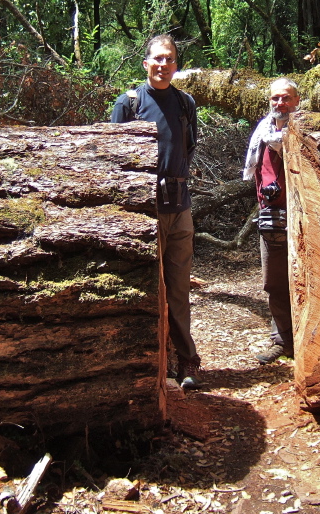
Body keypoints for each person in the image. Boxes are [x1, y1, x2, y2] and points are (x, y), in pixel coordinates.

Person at [111, 34, 202, 389]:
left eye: (170, 59)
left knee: (178, 289)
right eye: (158, 59)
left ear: (176, 65)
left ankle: (186, 362)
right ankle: (150, 362)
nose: (163, 65)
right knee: (146, 289)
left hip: (179, 208)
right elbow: (113, 161)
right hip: (142, 212)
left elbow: (188, 148)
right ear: (146, 63)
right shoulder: (129, 103)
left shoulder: (185, 103)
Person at [242, 78, 300, 365]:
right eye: (276, 98)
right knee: (274, 283)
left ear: (297, 101)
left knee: (305, 279)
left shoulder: (306, 133)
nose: (281, 104)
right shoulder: (263, 134)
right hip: (271, 217)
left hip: (305, 219)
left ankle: (305, 340)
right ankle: (283, 341)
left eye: (287, 98)